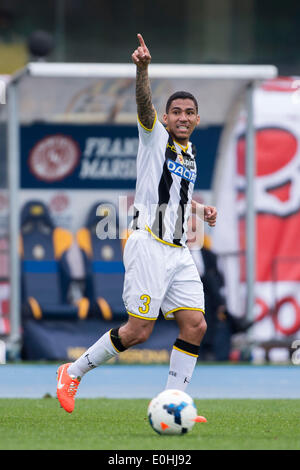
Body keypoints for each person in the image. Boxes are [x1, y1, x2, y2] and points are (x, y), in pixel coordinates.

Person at [56, 33, 217, 413]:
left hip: (178, 252)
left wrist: (199, 209)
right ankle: (73, 371)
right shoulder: (155, 136)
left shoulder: (189, 153)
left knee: (195, 326)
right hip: (148, 244)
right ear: (165, 117)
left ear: (196, 118)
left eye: (188, 112)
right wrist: (142, 70)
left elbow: (173, 194)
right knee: (139, 331)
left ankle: (174, 401)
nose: (181, 117)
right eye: (175, 111)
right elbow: (144, 106)